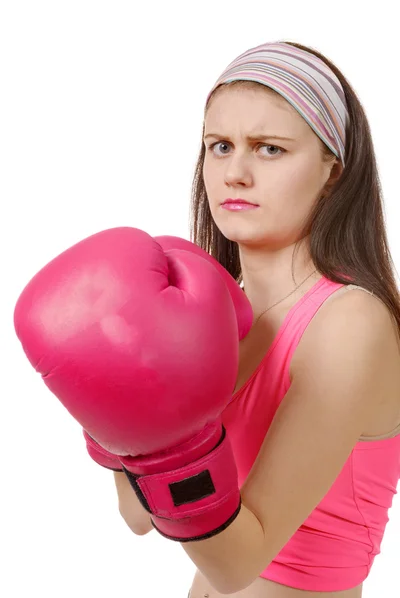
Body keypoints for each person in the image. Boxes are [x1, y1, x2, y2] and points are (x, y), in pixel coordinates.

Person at [115, 40, 400, 597]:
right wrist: (114, 407)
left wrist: (156, 429)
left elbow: (236, 561)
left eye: (269, 149)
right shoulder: (216, 315)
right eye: (219, 146)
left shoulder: (350, 324)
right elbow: (140, 516)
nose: (235, 173)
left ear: (333, 171)